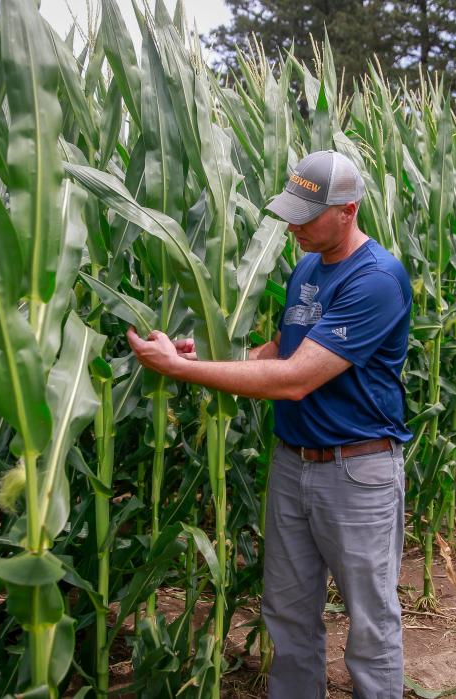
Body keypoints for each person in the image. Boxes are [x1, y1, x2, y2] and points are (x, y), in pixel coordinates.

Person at [127, 150, 412, 698]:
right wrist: (199, 356)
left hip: (357, 474)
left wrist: (185, 371)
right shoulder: (308, 266)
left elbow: (295, 379)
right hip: (294, 464)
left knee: (371, 625)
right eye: (291, 211)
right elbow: (280, 350)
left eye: (307, 214)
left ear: (349, 211)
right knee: (287, 614)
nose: (293, 224)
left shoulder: (376, 279)